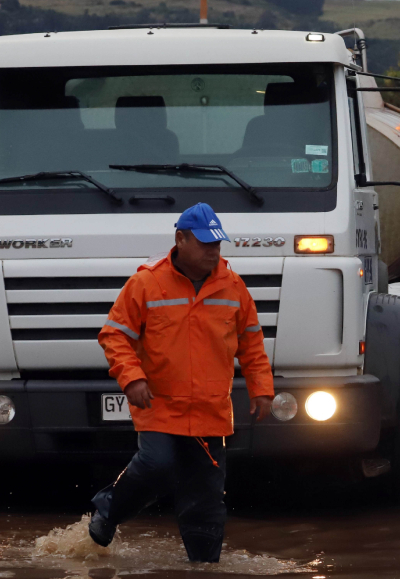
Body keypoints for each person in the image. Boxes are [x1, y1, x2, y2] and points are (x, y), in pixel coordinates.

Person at [88, 202, 274, 563]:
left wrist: (262, 389)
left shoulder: (233, 286)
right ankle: (109, 509)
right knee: (157, 465)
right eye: (205, 243)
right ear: (181, 239)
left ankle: (203, 566)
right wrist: (132, 379)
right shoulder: (147, 283)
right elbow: (114, 335)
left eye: (217, 244)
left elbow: (251, 342)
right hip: (160, 406)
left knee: (205, 499)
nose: (213, 251)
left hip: (210, 411)